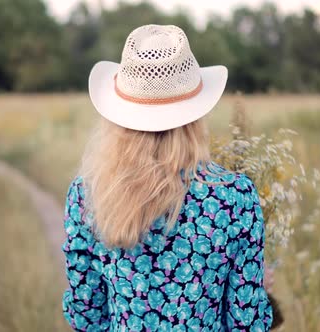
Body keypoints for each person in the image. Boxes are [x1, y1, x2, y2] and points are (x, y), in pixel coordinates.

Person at [61, 24, 273, 331]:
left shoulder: (88, 195)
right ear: (196, 113)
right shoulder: (235, 197)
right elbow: (247, 322)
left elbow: (86, 316)